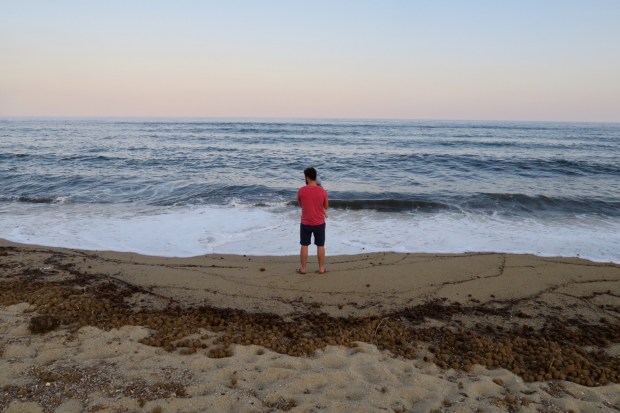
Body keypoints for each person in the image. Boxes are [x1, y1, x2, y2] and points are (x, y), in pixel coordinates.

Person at [297, 167, 328, 274]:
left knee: (304, 245)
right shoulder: (322, 191)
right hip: (319, 223)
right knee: (320, 245)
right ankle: (321, 268)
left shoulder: (301, 190)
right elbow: (325, 207)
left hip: (305, 222)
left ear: (307, 178)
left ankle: (303, 269)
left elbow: (301, 205)